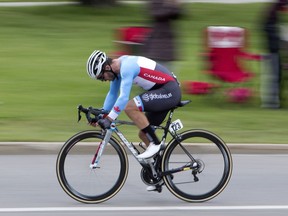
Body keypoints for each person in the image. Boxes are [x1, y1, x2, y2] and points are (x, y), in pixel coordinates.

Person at [86, 50, 181, 161]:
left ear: (107, 68)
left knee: (130, 107)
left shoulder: (127, 67)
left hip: (169, 91)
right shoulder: (117, 70)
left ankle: (155, 144)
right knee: (144, 134)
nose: (104, 80)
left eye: (102, 77)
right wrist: (101, 115)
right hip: (160, 91)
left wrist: (110, 118)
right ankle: (160, 167)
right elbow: (112, 94)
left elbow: (123, 97)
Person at [141, 0, 182, 71]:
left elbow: (176, 14)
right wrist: (171, 4)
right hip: (157, 41)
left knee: (168, 72)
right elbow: (158, 13)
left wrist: (174, 4)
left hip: (166, 41)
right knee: (158, 70)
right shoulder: (155, 2)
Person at [262, 0, 288, 108]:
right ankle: (272, 104)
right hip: (273, 51)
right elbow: (276, 38)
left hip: (274, 50)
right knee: (275, 77)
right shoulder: (272, 20)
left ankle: (274, 102)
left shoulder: (273, 17)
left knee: (276, 77)